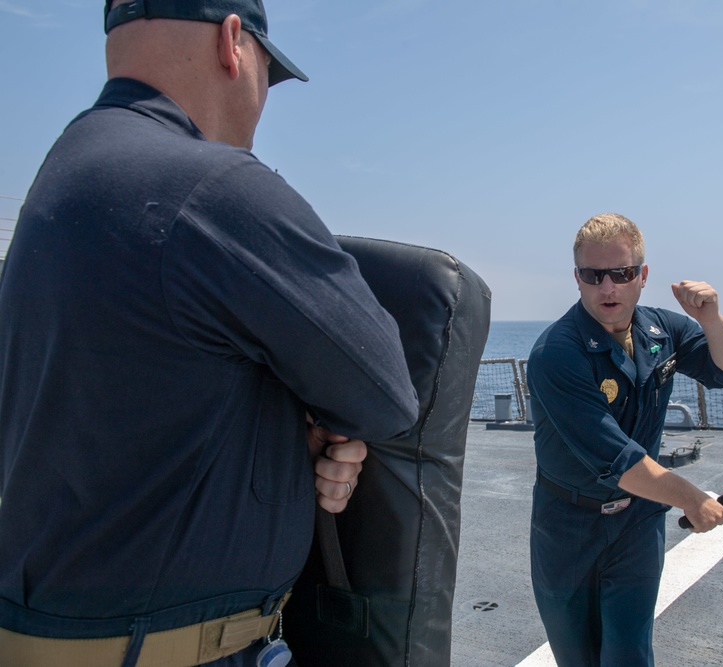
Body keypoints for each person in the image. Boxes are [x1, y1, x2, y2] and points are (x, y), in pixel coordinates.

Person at [0, 2, 419, 666]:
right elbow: (386, 390)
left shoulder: (60, 182)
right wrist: (319, 419)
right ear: (233, 43)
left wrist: (285, 432)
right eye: (266, 75)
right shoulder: (214, 186)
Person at [527, 213, 723, 666]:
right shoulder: (557, 353)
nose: (608, 287)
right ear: (577, 278)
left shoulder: (662, 331)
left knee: (630, 653)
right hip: (569, 528)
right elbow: (617, 459)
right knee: (578, 657)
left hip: (637, 524)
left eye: (622, 273)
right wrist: (692, 498)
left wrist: (711, 319)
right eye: (594, 276)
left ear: (642, 276)